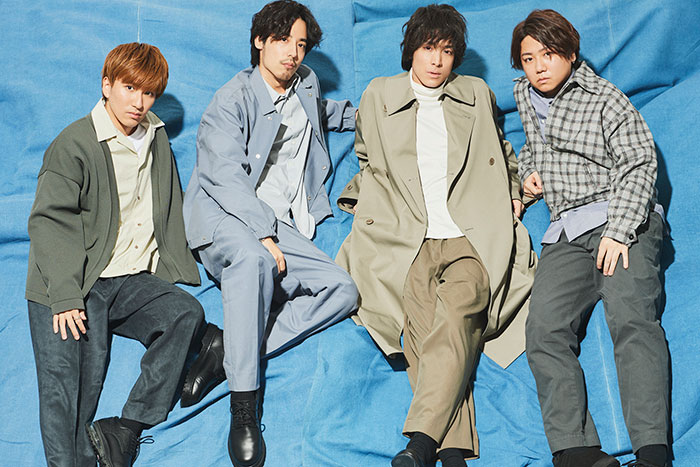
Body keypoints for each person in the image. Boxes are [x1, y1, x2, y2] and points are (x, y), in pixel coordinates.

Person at [335, 5, 536, 467]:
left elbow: (501, 150)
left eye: (446, 51)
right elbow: (367, 156)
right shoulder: (379, 94)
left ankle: (421, 443)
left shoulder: (475, 93)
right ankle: (452, 453)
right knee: (422, 334)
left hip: (470, 233)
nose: (437, 60)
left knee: (460, 314)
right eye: (428, 48)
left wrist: (513, 194)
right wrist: (367, 199)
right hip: (407, 236)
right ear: (412, 50)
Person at [180, 1, 358, 465]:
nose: (293, 53)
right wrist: (261, 233)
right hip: (226, 213)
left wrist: (377, 114)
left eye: (301, 44)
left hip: (280, 221)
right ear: (259, 41)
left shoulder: (306, 83)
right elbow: (223, 176)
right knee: (255, 260)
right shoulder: (230, 99)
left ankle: (228, 349)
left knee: (343, 290)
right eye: (282, 41)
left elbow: (320, 112)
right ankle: (243, 408)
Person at [26, 42, 208, 467]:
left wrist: (177, 264)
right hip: (74, 280)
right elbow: (50, 222)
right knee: (69, 394)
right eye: (129, 88)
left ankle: (125, 429)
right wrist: (65, 295)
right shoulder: (74, 143)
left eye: (149, 93)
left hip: (128, 278)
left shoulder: (155, 137)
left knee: (185, 313)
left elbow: (167, 204)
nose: (138, 102)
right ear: (106, 85)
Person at [511, 9, 670, 467]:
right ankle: (576, 450)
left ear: (570, 53)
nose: (538, 67)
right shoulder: (524, 94)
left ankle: (652, 453)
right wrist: (527, 177)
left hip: (621, 218)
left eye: (548, 54)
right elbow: (534, 148)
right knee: (543, 330)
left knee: (631, 319)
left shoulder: (605, 98)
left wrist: (620, 231)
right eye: (528, 58)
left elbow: (640, 163)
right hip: (566, 229)